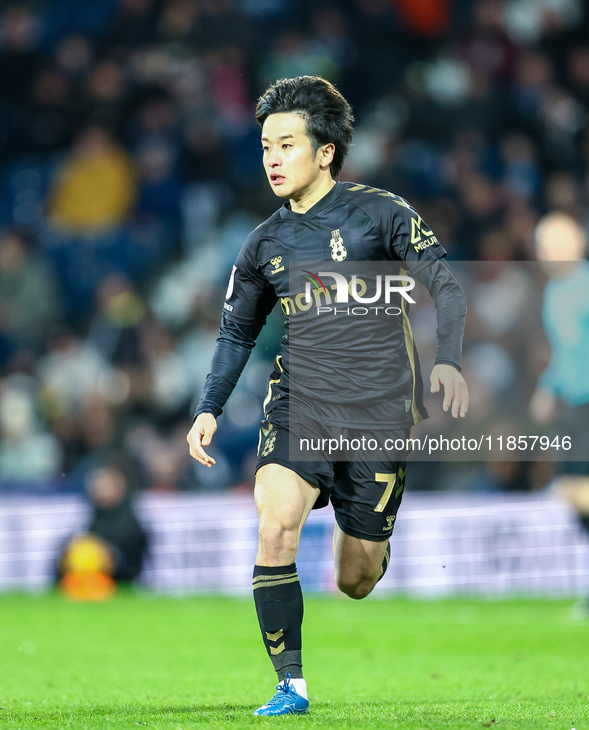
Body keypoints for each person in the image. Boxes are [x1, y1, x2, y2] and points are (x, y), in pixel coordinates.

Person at [187, 76, 468, 715]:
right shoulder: (263, 244)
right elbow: (236, 330)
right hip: (300, 405)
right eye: (265, 147)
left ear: (326, 153)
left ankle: (367, 529)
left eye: (286, 145)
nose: (273, 160)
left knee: (357, 578)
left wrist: (448, 362)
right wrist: (208, 407)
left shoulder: (383, 214)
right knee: (276, 522)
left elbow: (447, 288)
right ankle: (291, 684)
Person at [529, 211, 589, 618]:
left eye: (556, 241)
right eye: (542, 243)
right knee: (571, 490)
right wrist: (548, 388)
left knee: (572, 488)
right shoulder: (555, 291)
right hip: (573, 403)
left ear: (578, 243)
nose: (547, 250)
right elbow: (567, 353)